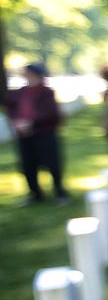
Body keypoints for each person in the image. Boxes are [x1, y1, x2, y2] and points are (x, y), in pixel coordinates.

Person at [5, 63, 70, 205]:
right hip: (24, 135)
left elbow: (51, 113)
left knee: (52, 163)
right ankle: (35, 193)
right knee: (28, 164)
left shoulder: (46, 92)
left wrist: (31, 122)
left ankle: (60, 192)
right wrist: (17, 122)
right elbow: (11, 108)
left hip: (43, 133)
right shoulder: (19, 93)